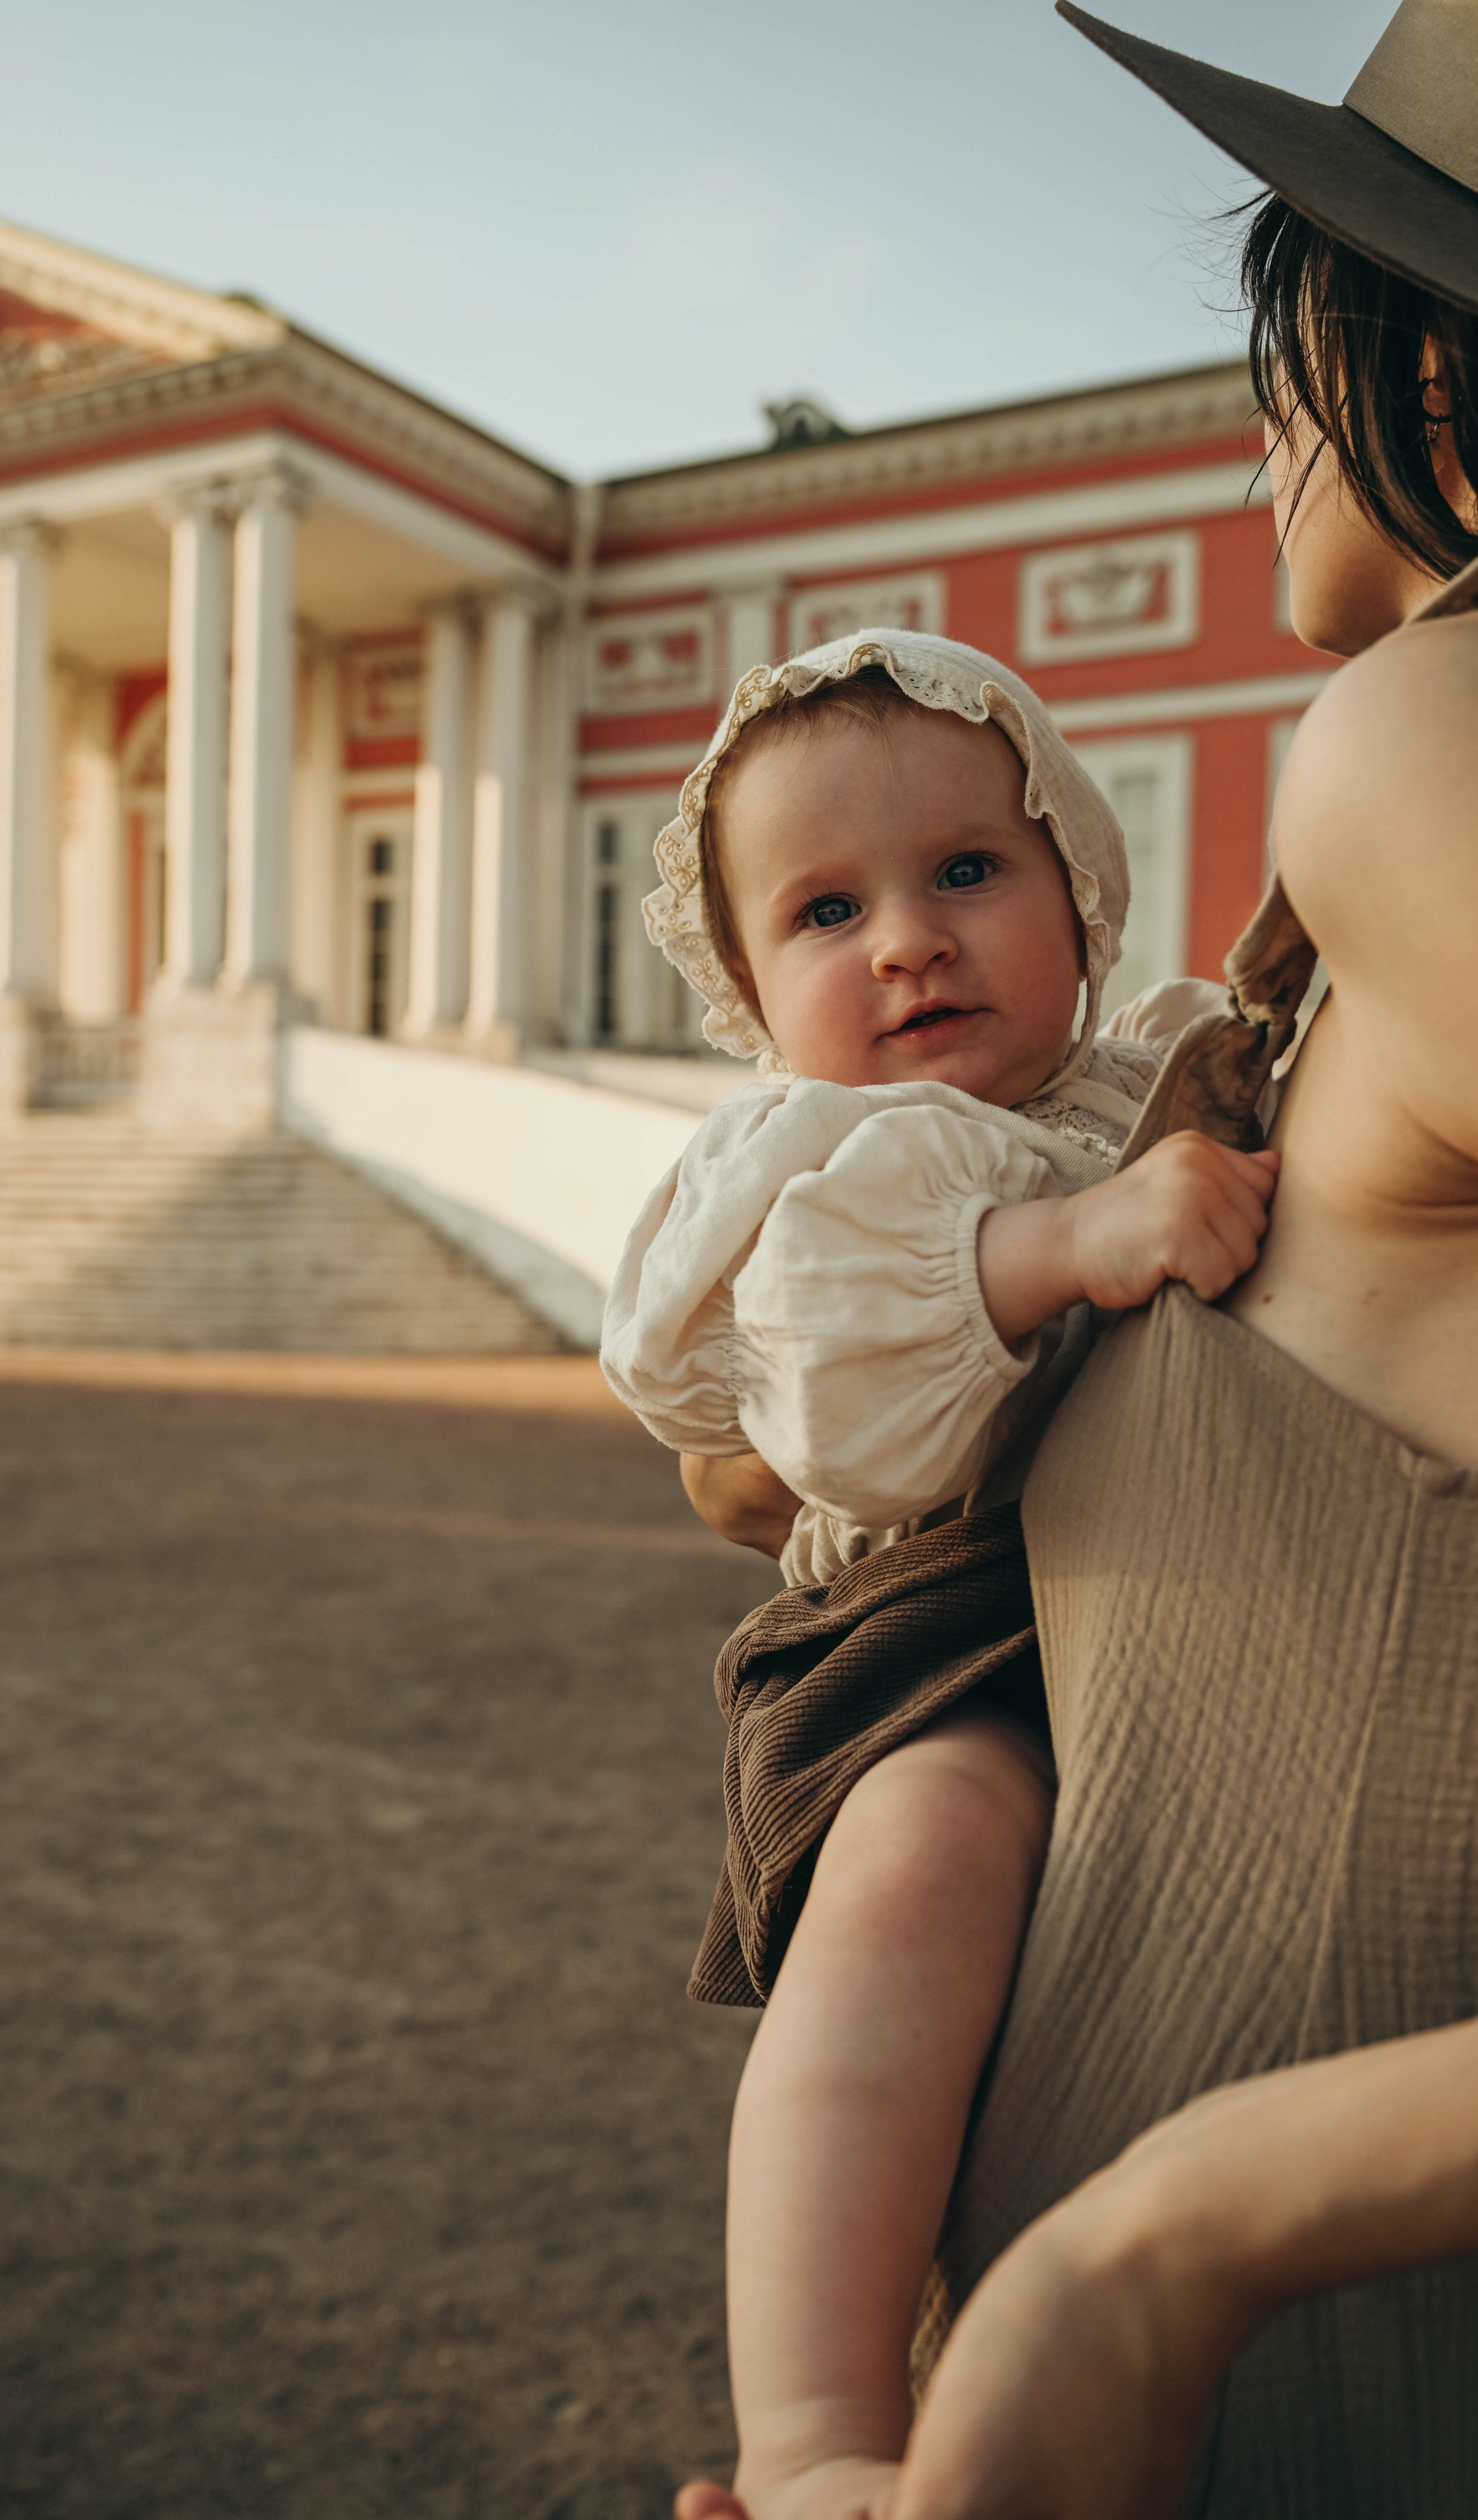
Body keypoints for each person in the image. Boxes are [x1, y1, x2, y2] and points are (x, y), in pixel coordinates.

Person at [678, 3, 1478, 2514]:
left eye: (1299, 342)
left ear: (1438, 389)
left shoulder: (1410, 738)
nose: (1266, 437)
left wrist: (1182, 2240)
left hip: (1295, 2384)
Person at [601, 632, 1278, 2520]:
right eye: (828, 909)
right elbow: (839, 1402)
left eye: (966, 871)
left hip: (1162, 1606)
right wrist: (1063, 1242)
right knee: (922, 1866)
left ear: (1081, 879)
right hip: (928, 1631)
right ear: (749, 991)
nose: (906, 939)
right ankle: (815, 2434)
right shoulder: (843, 1165)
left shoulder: (1154, 1077)